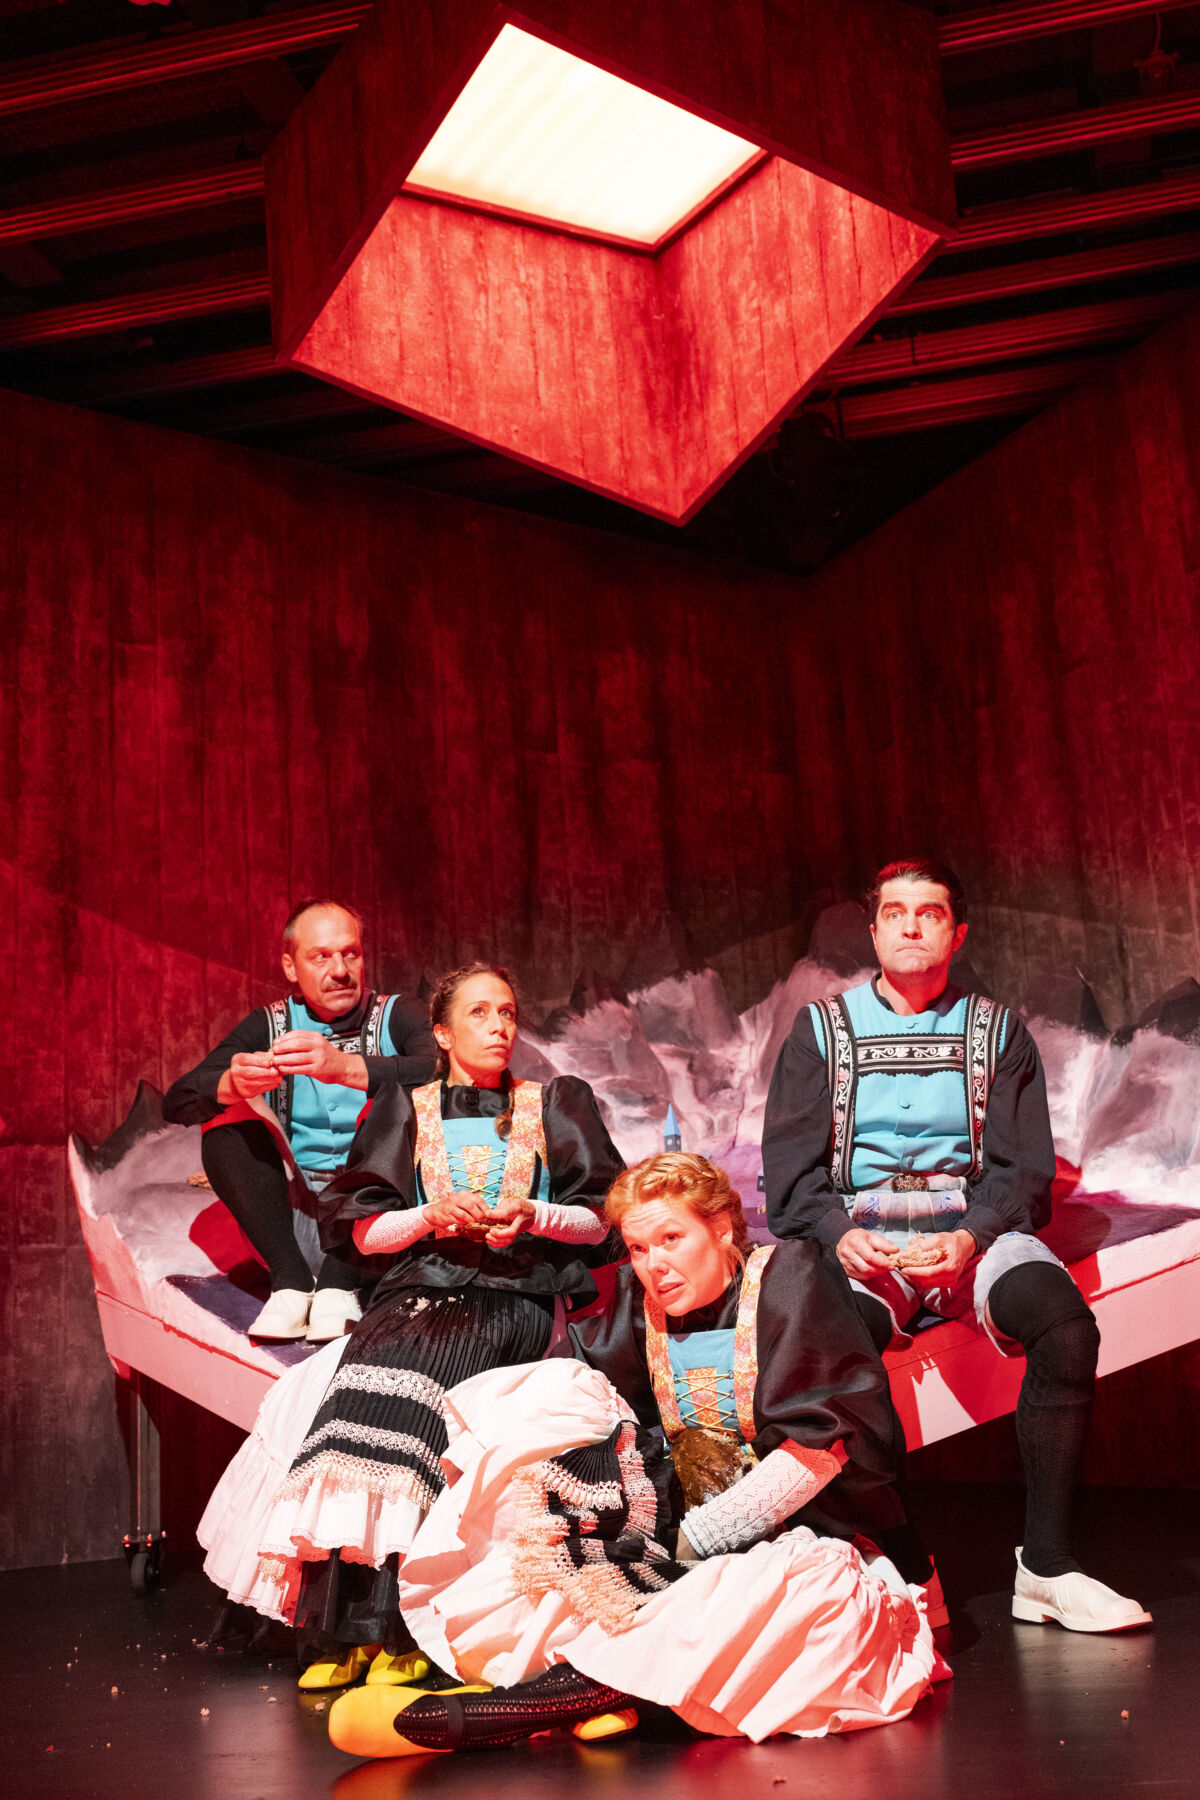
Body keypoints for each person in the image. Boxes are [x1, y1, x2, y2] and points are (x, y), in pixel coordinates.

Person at [324, 1152, 941, 1758]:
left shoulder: (792, 1275)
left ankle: (508, 1712)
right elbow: (601, 1409)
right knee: (555, 1455)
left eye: (672, 1239)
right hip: (677, 1536)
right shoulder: (636, 1300)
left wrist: (702, 1538)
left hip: (808, 1532)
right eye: (640, 1249)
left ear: (722, 1229)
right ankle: (600, 1694)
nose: (655, 1266)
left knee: (804, 1597)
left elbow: (826, 1442)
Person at [196, 960, 625, 1690]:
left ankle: (399, 1628)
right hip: (416, 1290)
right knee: (352, 1398)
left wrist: (533, 1216)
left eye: (507, 1012)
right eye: (480, 1013)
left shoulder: (555, 1102)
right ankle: (343, 1628)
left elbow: (602, 1220)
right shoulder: (407, 1107)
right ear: (442, 1033)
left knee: (423, 1398)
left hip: (511, 1295)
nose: (499, 1026)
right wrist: (429, 1215)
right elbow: (363, 1232)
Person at [762, 857, 1150, 1634]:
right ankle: (905, 1565)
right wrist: (842, 1236)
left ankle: (1047, 1569)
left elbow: (1024, 1172)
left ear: (957, 932)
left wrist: (971, 1236)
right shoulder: (820, 1032)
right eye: (895, 913)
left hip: (973, 1236)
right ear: (874, 931)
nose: (911, 926)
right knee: (829, 1356)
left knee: (1065, 1327)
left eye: (930, 913)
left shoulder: (998, 1032)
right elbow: (791, 1179)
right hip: (866, 1245)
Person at [163, 899, 436, 1342]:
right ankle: (290, 1285)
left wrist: (344, 1067)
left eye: (351, 953)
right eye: (321, 956)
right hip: (293, 1229)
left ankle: (339, 1283)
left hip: (378, 1229)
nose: (340, 970)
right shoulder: (269, 1023)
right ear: (291, 967)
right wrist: (232, 1084)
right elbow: (178, 1100)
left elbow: (444, 1071)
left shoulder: (399, 1014)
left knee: (402, 1103)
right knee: (225, 1115)